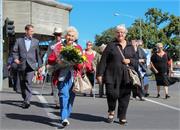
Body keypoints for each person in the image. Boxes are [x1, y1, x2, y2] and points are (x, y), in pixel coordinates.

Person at [97, 24, 138, 125]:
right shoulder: (111, 45)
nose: (120, 34)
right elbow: (103, 61)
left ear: (125, 34)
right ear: (115, 33)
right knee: (111, 94)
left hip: (126, 76)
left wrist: (130, 60)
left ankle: (122, 116)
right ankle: (111, 111)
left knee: (125, 96)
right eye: (118, 32)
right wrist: (99, 74)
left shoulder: (130, 46)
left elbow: (136, 61)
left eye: (122, 32)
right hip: (111, 75)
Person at [48, 26, 83, 127]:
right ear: (65, 35)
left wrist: (76, 62)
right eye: (68, 35)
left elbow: (81, 64)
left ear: (75, 37)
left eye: (72, 36)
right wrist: (57, 60)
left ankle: (66, 115)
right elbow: (50, 59)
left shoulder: (78, 48)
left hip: (74, 76)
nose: (70, 37)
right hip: (61, 75)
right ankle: (63, 117)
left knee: (71, 97)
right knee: (63, 95)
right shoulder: (58, 46)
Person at [12, 24, 42, 109]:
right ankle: (25, 97)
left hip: (31, 65)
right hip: (21, 64)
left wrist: (39, 66)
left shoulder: (36, 41)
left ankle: (27, 101)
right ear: (26, 31)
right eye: (31, 31)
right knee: (22, 83)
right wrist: (15, 59)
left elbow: (38, 55)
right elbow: (15, 51)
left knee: (28, 82)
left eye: (33, 31)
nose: (33, 32)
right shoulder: (19, 40)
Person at [46, 27, 63, 109]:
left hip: (63, 66)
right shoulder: (51, 44)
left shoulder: (64, 43)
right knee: (54, 84)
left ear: (61, 35)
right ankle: (57, 102)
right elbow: (48, 55)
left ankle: (62, 100)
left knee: (62, 84)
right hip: (53, 66)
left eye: (59, 34)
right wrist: (47, 64)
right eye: (56, 34)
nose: (57, 36)